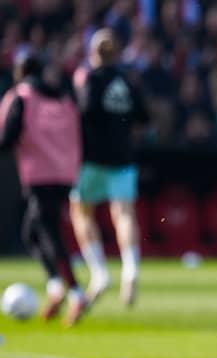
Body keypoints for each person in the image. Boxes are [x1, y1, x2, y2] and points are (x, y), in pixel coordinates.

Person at [0, 52, 89, 326]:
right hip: (65, 173)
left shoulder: (22, 97)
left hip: (40, 174)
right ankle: (56, 286)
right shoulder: (64, 98)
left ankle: (75, 291)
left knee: (48, 232)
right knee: (32, 232)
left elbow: (8, 137)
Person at [69, 28, 150, 306]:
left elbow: (84, 111)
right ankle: (131, 268)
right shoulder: (126, 81)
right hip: (123, 157)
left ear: (93, 52)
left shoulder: (89, 79)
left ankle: (99, 272)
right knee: (124, 213)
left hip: (92, 158)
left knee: (82, 211)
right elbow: (144, 116)